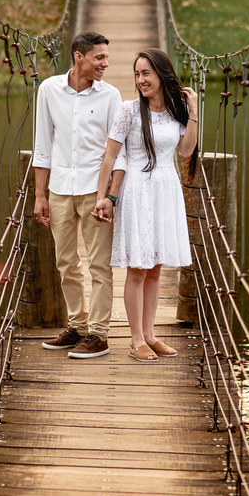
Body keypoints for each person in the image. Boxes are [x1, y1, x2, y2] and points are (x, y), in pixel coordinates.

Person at [92, 49, 198, 362]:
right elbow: (110, 156)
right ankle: (135, 339)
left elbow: (186, 150)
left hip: (166, 190)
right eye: (137, 74)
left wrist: (193, 109)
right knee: (137, 269)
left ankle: (150, 335)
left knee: (155, 269)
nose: (141, 80)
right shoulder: (128, 111)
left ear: (161, 74)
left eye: (146, 73)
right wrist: (103, 197)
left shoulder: (175, 113)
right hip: (137, 190)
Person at [33, 31, 127, 359]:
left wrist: (110, 196)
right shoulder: (48, 90)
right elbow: (42, 147)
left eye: (106, 57)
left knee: (99, 266)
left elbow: (118, 153)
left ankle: (99, 335)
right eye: (99, 57)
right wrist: (39, 195)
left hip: (94, 192)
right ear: (79, 57)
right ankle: (76, 326)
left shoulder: (111, 96)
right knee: (66, 263)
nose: (106, 63)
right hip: (59, 189)